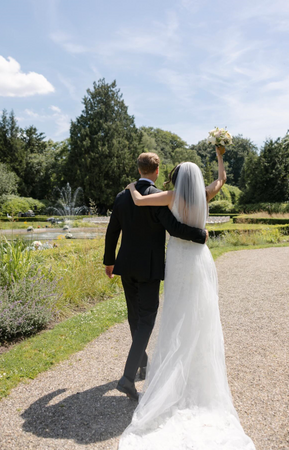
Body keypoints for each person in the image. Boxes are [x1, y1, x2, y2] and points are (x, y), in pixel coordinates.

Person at [118, 147, 256, 449]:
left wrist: (131, 185)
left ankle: (172, 371)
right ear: (195, 180)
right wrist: (220, 155)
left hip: (179, 261)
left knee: (176, 314)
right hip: (201, 260)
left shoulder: (171, 196)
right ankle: (199, 371)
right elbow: (221, 179)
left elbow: (140, 200)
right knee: (202, 313)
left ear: (176, 179)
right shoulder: (203, 195)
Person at [103, 152, 208, 402]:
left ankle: (143, 363)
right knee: (146, 320)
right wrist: (199, 235)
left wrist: (109, 261)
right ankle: (128, 378)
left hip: (126, 266)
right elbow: (174, 229)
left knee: (134, 316)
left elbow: (112, 231)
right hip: (148, 268)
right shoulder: (157, 197)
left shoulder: (121, 196)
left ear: (139, 169)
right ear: (157, 171)